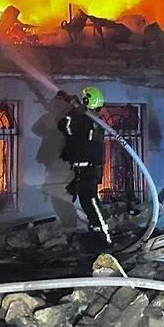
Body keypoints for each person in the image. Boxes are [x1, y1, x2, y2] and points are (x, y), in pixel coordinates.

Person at [57, 86, 112, 243]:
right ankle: (95, 233)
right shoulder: (89, 119)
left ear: (86, 101)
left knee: (91, 201)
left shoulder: (89, 121)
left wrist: (73, 111)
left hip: (88, 168)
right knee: (86, 201)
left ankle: (103, 235)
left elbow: (64, 126)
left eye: (83, 99)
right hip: (83, 168)